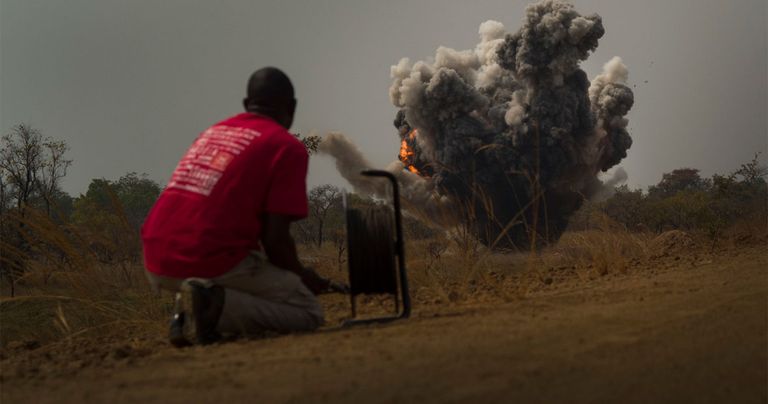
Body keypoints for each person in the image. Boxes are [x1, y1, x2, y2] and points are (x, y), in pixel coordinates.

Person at [141, 67, 342, 347]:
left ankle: (193, 303)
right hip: (205, 258)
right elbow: (275, 241)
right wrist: (306, 277)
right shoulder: (285, 147)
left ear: (247, 105)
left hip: (155, 257)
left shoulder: (212, 134)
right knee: (307, 311)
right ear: (292, 107)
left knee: (256, 280)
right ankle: (208, 309)